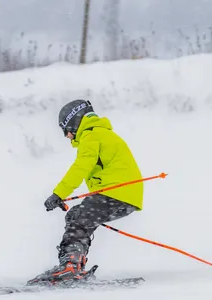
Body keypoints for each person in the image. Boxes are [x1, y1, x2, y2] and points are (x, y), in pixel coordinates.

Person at [27, 99, 143, 285]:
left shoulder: (91, 135)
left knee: (80, 217)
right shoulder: (101, 134)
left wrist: (58, 194)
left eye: (66, 130)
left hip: (117, 192)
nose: (67, 136)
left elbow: (81, 167)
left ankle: (70, 267)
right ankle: (73, 264)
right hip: (123, 194)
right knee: (76, 215)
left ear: (74, 122)